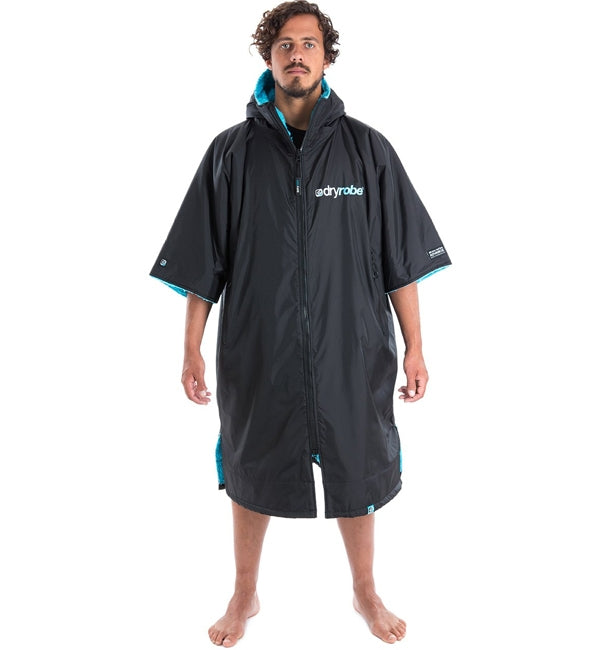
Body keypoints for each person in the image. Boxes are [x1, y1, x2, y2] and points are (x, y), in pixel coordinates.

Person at [150, 1, 451, 645]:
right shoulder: (230, 153)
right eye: (285, 44)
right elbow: (203, 262)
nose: (297, 55)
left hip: (352, 345)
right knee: (250, 461)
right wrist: (190, 349)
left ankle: (365, 591)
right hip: (259, 345)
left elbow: (400, 259)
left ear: (326, 56)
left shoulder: (368, 150)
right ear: (269, 56)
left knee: (359, 461)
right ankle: (244, 593)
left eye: (309, 44)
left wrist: (416, 347)